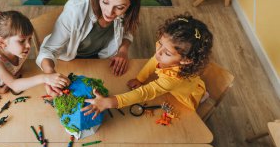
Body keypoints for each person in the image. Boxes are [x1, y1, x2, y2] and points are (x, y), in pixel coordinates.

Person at [81, 15, 214, 119]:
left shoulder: (172, 80)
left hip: (185, 95)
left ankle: (202, 95)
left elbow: (144, 93)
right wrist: (140, 78)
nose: (158, 52)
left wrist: (110, 102)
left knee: (193, 94)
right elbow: (153, 60)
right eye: (160, 43)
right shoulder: (163, 54)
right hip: (183, 81)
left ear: (185, 60)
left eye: (167, 52)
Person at [36, 0, 141, 97]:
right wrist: (49, 74)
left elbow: (128, 29)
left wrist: (123, 50)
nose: (109, 12)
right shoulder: (76, 9)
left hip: (100, 61)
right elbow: (48, 50)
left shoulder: (128, 12)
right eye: (105, 1)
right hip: (69, 61)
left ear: (130, 6)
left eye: (119, 7)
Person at [0, 11, 70, 98]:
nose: (28, 45)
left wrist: (9, 83)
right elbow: (15, 85)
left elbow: (14, 80)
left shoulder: (19, 50)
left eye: (30, 39)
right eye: (22, 40)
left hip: (7, 83)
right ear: (2, 42)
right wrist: (45, 78)